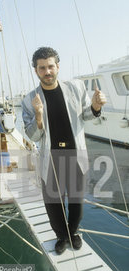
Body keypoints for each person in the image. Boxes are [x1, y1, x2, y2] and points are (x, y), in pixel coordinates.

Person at [22, 47, 106, 255]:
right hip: (49, 158)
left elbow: (86, 115)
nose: (47, 71)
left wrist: (95, 107)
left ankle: (73, 232)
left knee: (76, 201)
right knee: (53, 203)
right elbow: (31, 136)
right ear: (36, 71)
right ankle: (61, 236)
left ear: (57, 66)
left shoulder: (76, 88)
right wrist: (38, 116)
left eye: (50, 66)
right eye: (42, 68)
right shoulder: (29, 100)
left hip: (75, 155)